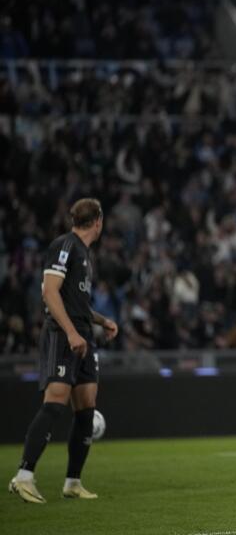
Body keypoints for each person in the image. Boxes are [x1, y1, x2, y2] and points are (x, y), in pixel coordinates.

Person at [8, 198, 118, 504]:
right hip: (63, 334)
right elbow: (49, 292)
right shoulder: (64, 246)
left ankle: (72, 482)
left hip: (83, 334)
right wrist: (70, 332)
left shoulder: (83, 254)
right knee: (56, 401)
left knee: (86, 407)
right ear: (98, 221)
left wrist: (101, 320)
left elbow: (76, 300)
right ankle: (24, 476)